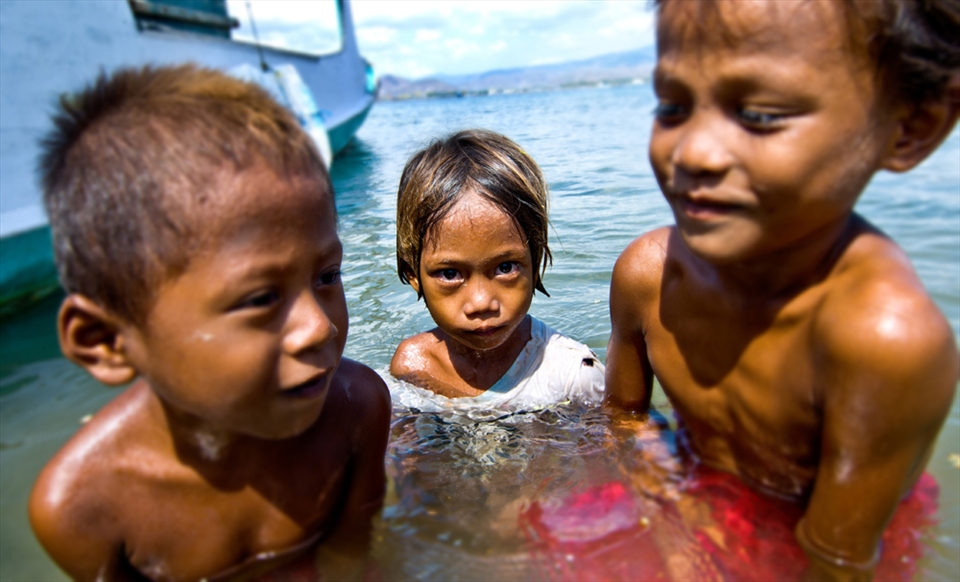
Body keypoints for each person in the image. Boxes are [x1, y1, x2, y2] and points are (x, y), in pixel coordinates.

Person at [603, 0, 959, 579]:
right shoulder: (647, 274)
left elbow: (837, 560)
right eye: (672, 106)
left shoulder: (884, 339)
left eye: (761, 115)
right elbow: (623, 419)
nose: (693, 152)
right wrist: (669, 515)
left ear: (910, 127)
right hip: (685, 490)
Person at [28, 64, 391, 582]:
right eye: (261, 297)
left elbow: (358, 557)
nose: (319, 328)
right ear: (105, 341)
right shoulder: (82, 508)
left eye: (327, 275)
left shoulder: (358, 410)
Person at [390, 129, 604, 409]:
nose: (481, 303)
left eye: (505, 267)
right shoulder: (412, 366)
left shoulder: (573, 376)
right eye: (451, 274)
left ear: (535, 263)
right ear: (413, 275)